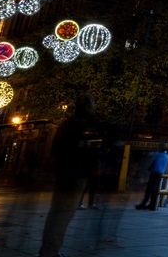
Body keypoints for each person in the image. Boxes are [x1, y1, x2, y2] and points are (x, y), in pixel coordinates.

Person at [39, 94, 102, 257]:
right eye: (93, 103)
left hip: (65, 172)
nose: (94, 106)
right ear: (88, 106)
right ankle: (50, 251)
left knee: (57, 212)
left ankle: (49, 249)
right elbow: (92, 148)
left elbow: (56, 149)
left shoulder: (67, 124)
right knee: (63, 213)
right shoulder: (87, 125)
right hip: (76, 173)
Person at [136, 144, 168, 210]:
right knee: (155, 190)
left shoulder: (157, 154)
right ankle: (153, 204)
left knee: (149, 189)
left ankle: (144, 203)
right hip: (160, 173)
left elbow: (150, 157)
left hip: (154, 173)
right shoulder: (166, 156)